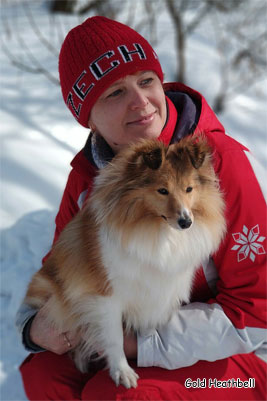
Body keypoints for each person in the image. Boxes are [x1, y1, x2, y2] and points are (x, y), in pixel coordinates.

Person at [16, 16, 266, 401]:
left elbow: (257, 315)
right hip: (129, 333)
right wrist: (34, 326)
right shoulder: (87, 180)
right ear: (89, 119)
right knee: (45, 375)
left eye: (146, 81)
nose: (140, 101)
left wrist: (136, 343)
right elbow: (60, 271)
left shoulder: (220, 163)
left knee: (119, 396)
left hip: (240, 364)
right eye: (114, 93)